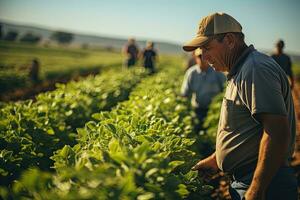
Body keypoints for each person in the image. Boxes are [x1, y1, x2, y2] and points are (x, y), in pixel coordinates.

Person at [183, 12, 297, 200]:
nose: (203, 56)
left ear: (229, 40)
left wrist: (256, 190)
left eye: (207, 48)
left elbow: (276, 131)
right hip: (248, 180)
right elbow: (246, 129)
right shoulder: (240, 71)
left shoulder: (255, 69)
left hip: (264, 184)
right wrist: (216, 159)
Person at [181, 48, 225, 132]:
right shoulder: (191, 73)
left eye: (205, 56)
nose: (202, 59)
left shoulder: (217, 71)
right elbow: (185, 93)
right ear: (195, 58)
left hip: (214, 112)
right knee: (197, 132)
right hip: (197, 110)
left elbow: (225, 90)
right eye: (200, 56)